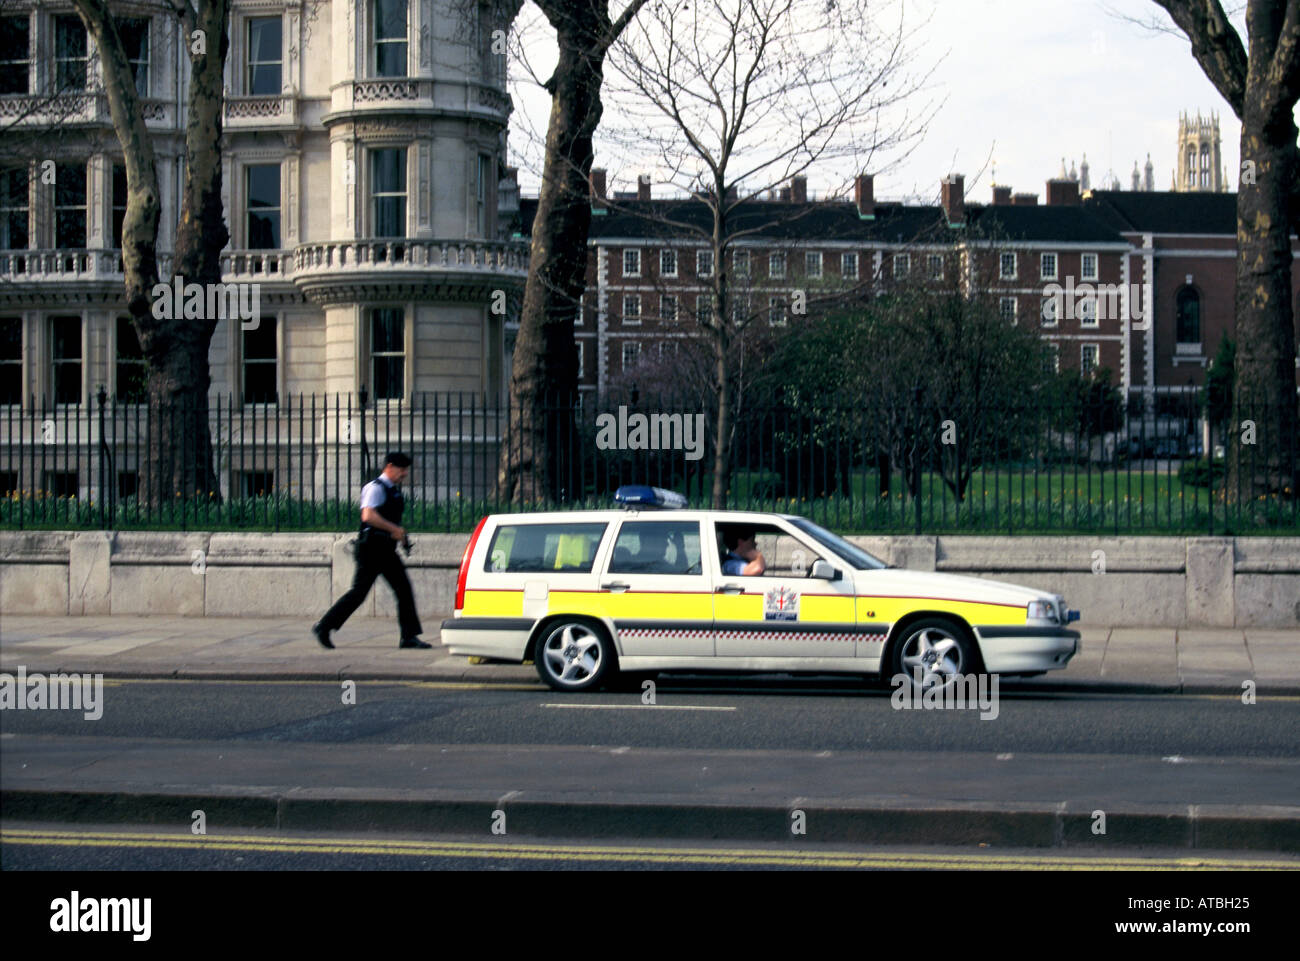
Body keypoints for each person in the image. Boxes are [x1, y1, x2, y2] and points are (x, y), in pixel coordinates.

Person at [313, 451, 430, 649]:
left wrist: (399, 535)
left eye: (405, 470)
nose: (404, 474)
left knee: (403, 589)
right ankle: (324, 626)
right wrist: (395, 530)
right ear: (390, 466)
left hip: (385, 548)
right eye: (402, 469)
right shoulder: (375, 488)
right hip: (372, 549)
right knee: (359, 593)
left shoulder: (391, 489)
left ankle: (408, 637)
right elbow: (368, 516)